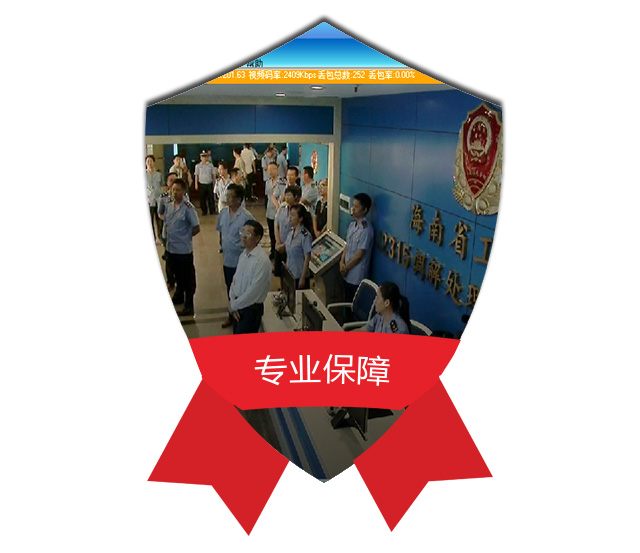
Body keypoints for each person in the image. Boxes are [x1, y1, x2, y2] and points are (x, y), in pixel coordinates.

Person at [159, 178, 200, 317]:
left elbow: (196, 227)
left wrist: (185, 237)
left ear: (184, 192)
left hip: (183, 250)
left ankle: (189, 305)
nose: (175, 192)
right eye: (173, 189)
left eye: (178, 190)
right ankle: (179, 296)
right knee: (176, 276)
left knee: (187, 279)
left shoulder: (188, 208)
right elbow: (166, 222)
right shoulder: (169, 205)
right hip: (171, 248)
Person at [216, 184, 254, 328]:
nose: (228, 199)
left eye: (231, 197)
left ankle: (243, 317)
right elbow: (221, 231)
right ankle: (231, 315)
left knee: (242, 289)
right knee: (230, 288)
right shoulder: (223, 213)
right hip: (228, 260)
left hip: (241, 260)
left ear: (239, 199)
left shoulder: (246, 217)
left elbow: (253, 238)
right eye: (227, 196)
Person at [228, 220, 272, 334]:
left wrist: (234, 305)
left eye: (248, 233)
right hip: (238, 306)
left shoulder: (262, 261)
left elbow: (254, 292)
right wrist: (233, 300)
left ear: (257, 238)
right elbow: (235, 280)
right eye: (242, 232)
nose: (243, 236)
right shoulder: (243, 255)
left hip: (251, 310)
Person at [340, 193, 374, 302]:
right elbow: (347, 246)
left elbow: (359, 255)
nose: (353, 209)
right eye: (353, 205)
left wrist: (346, 268)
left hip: (356, 276)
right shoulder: (352, 225)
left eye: (356, 207)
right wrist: (341, 262)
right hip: (346, 273)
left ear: (364, 210)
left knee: (352, 304)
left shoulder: (366, 230)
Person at [284, 204, 314, 289]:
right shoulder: (291, 233)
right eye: (290, 214)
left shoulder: (305, 236)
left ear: (300, 219)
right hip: (290, 273)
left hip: (299, 275)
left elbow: (307, 258)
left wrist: (302, 278)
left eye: (293, 215)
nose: (290, 217)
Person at [274, 185, 302, 277]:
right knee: (280, 272)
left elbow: (298, 231)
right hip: (279, 245)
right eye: (285, 195)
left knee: (290, 274)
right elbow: (276, 225)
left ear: (296, 197)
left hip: (292, 247)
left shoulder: (300, 210)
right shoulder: (282, 207)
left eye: (289, 195)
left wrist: (285, 245)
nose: (286, 197)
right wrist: (278, 242)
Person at [265, 161, 287, 259]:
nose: (270, 172)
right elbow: (267, 197)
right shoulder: (267, 182)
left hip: (278, 212)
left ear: (276, 169)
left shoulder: (282, 182)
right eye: (268, 170)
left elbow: (282, 197)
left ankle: (278, 252)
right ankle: (272, 250)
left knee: (278, 233)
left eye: (272, 169)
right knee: (271, 233)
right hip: (269, 211)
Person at [145, 155, 164, 245]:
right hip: (149, 200)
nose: (149, 163)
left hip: (158, 199)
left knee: (159, 219)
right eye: (147, 161)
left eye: (151, 161)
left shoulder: (158, 174)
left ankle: (160, 237)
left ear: (154, 162)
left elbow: (163, 185)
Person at [194, 151, 217, 216]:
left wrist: (215, 184)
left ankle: (212, 210)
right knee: (202, 198)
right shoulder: (198, 166)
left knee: (211, 198)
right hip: (202, 184)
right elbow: (196, 175)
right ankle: (204, 211)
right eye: (202, 156)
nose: (204, 158)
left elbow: (213, 175)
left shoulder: (210, 165)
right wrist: (196, 184)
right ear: (200, 158)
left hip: (209, 183)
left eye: (205, 156)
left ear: (207, 157)